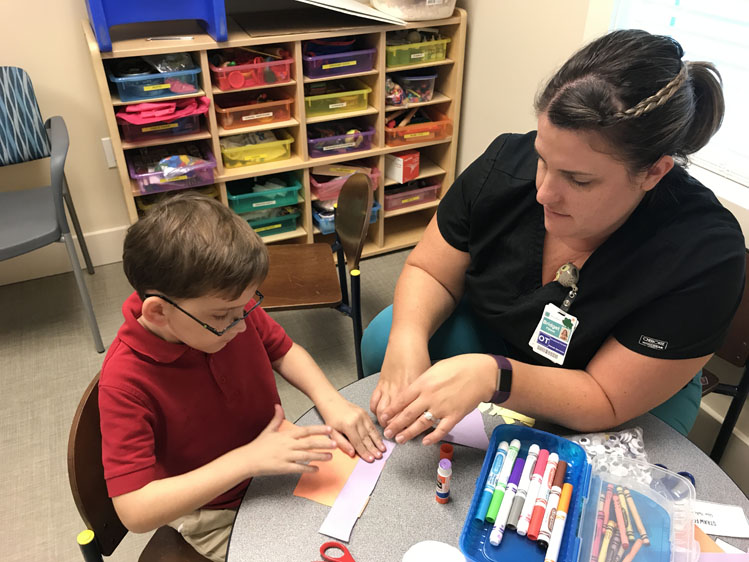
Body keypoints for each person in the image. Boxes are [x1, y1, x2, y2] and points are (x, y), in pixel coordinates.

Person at [364, 29, 745, 445]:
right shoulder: (507, 164)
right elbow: (430, 270)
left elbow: (606, 399)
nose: (543, 191)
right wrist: (406, 340)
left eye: (579, 180)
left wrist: (494, 375)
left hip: (623, 385)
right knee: (386, 334)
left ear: (655, 172)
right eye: (543, 159)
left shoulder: (703, 252)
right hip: (504, 337)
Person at [99, 194, 385, 562]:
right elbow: (134, 510)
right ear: (158, 313)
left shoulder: (229, 311)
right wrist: (247, 460)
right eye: (223, 316)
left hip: (270, 463)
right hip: (215, 508)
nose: (241, 324)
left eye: (246, 307)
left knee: (368, 523)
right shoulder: (125, 383)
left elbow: (283, 350)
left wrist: (331, 401)